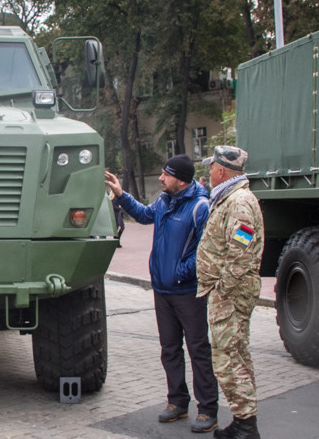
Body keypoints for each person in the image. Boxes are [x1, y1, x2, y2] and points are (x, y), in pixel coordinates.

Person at [106, 155, 219, 433]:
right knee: (169, 349)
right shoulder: (165, 201)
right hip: (162, 290)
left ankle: (208, 409)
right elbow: (145, 215)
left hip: (187, 291)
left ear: (180, 179)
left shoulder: (200, 207)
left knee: (198, 350)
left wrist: (180, 273)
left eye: (165, 174)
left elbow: (205, 252)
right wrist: (121, 195)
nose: (160, 178)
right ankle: (177, 402)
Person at [196, 145, 265, 439]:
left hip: (231, 294)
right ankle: (243, 421)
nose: (209, 171)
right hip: (229, 292)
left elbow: (241, 250)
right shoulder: (229, 198)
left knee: (229, 359)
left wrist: (223, 288)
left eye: (212, 167)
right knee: (233, 355)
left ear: (221, 171)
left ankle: (246, 426)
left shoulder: (238, 202)